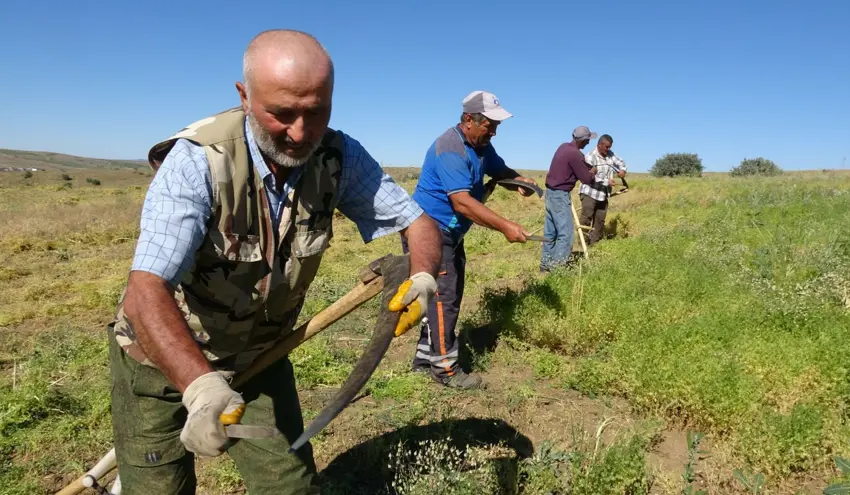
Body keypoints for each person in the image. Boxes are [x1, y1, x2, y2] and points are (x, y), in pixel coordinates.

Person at [107, 29, 442, 494]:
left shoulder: (338, 156)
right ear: (245, 97)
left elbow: (416, 221)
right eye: (281, 113)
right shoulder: (197, 161)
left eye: (316, 111)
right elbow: (146, 292)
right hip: (157, 358)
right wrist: (200, 387)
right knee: (157, 489)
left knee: (292, 488)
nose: (300, 132)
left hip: (260, 355)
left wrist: (423, 273)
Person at [405, 90, 539, 389]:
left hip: (450, 232)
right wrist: (505, 226)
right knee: (444, 299)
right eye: (489, 124)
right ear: (468, 119)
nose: (494, 131)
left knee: (437, 298)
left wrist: (518, 180)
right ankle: (445, 370)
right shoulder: (450, 148)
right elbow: (462, 203)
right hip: (430, 232)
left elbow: (499, 170)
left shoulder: (481, 146)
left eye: (496, 126)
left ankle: (424, 359)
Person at [539, 126, 598, 272]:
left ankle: (545, 265)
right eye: (588, 140)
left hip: (550, 193)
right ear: (583, 140)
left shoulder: (563, 147)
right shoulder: (575, 154)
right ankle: (557, 269)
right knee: (566, 234)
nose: (588, 143)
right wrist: (593, 171)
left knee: (550, 232)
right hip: (560, 195)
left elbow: (574, 165)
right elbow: (585, 179)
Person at [578, 134, 627, 245]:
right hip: (589, 192)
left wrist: (622, 171)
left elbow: (621, 162)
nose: (608, 149)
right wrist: (607, 182)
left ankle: (594, 244)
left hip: (603, 194)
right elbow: (588, 176)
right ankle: (582, 244)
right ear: (599, 145)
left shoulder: (610, 155)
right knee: (586, 218)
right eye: (606, 147)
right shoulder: (590, 156)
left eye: (609, 147)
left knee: (600, 220)